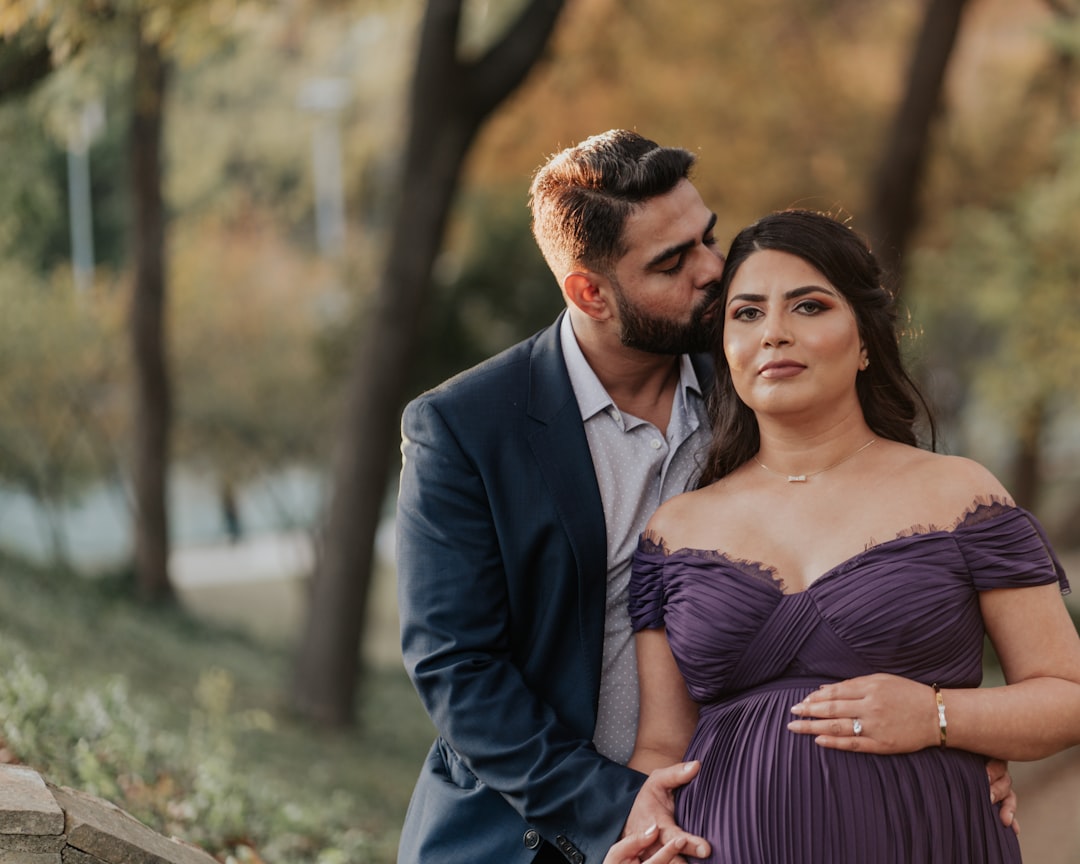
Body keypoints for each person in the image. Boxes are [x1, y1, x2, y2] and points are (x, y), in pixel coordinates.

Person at [626, 209, 1080, 863]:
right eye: (747, 314)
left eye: (808, 306)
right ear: (724, 350)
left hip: (930, 840)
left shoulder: (959, 495)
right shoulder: (676, 529)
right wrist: (640, 815)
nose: (774, 333)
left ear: (866, 339)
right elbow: (660, 750)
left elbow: (1065, 696)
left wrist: (938, 717)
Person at [395, 129, 721, 863]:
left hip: (729, 819)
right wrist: (614, 802)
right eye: (673, 262)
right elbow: (457, 667)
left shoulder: (753, 387)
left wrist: (948, 734)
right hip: (526, 836)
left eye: (708, 238)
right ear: (588, 292)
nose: (713, 269)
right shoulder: (463, 429)